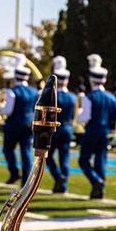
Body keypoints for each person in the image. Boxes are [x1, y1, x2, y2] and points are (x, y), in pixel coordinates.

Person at [77, 54, 116, 199]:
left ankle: (96, 181)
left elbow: (84, 117)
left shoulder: (89, 97)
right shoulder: (112, 97)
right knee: (101, 159)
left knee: (83, 160)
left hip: (92, 130)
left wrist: (78, 113)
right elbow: (115, 117)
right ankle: (100, 189)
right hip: (105, 131)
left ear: (91, 79)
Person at [0, 55, 37, 185]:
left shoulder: (12, 91)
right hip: (29, 124)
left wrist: (1, 108)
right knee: (26, 152)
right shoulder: (34, 92)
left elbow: (7, 110)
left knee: (7, 149)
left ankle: (14, 172)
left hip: (13, 124)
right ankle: (26, 180)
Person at [47, 56, 76, 194]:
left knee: (47, 156)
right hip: (67, 128)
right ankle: (63, 184)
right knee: (64, 157)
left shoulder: (49, 96)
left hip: (53, 130)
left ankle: (58, 177)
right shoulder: (73, 97)